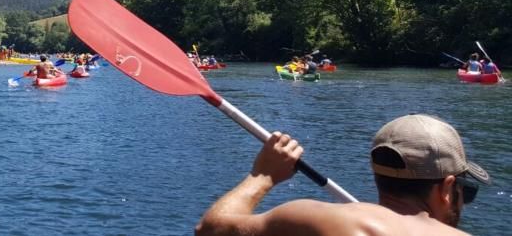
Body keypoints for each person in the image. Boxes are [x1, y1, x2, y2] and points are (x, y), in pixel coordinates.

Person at [195, 114, 489, 236]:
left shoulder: (318, 220)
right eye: (468, 191)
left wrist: (262, 176)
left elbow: (209, 230)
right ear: (447, 188)